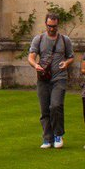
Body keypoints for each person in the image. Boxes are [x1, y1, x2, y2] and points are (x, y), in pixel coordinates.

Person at [28, 13, 74, 148]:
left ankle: (58, 134)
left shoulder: (65, 40)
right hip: (43, 78)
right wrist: (36, 65)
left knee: (56, 105)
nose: (52, 29)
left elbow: (71, 57)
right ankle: (47, 138)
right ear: (45, 24)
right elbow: (31, 56)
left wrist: (66, 63)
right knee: (44, 109)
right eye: (49, 26)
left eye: (54, 26)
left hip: (59, 78)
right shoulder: (39, 39)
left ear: (57, 25)